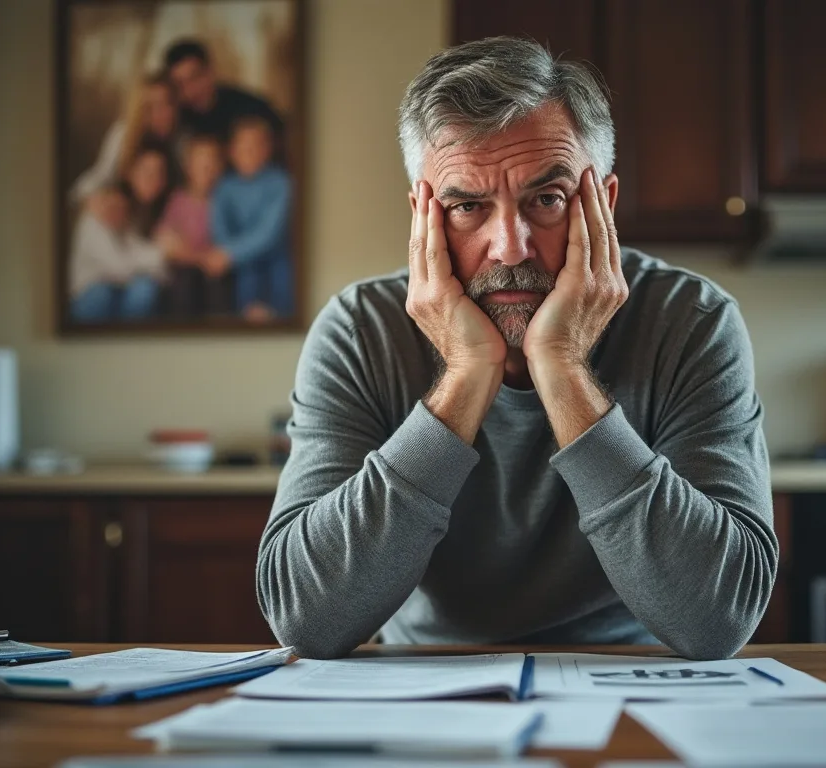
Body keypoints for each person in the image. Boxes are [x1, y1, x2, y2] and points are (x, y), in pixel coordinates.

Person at [257, 38, 776, 660]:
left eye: (547, 199)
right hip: (422, 677)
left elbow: (717, 622)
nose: (510, 246)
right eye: (467, 206)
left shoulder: (692, 322)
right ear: (424, 217)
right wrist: (467, 371)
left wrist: (562, 364)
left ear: (602, 204)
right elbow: (306, 620)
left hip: (635, 675)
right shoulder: (359, 330)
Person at [69, 141, 171, 322]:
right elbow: (119, 267)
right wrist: (163, 252)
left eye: (159, 174)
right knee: (103, 294)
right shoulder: (95, 218)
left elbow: (148, 261)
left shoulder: (130, 217)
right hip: (91, 297)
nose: (153, 179)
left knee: (145, 288)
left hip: (122, 291)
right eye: (146, 172)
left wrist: (158, 258)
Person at [207, 116, 293, 322]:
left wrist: (231, 253)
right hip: (241, 268)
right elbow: (220, 230)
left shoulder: (281, 182)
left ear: (268, 149)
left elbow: (271, 232)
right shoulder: (224, 186)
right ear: (232, 150)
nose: (250, 151)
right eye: (243, 145)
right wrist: (228, 252)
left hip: (274, 260)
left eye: (256, 145)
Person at [71, 72, 179, 207]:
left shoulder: (181, 139)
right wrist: (91, 199)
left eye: (167, 103)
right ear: (140, 110)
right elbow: (99, 176)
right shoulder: (124, 135)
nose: (162, 112)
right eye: (151, 107)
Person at [155, 134, 229, 317]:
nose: (207, 168)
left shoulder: (225, 199)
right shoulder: (178, 200)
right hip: (187, 272)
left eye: (212, 162)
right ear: (188, 167)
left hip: (218, 273)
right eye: (201, 162)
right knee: (184, 282)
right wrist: (201, 258)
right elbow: (166, 243)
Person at [163, 39, 283, 150]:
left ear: (210, 72)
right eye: (180, 85)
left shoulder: (253, 109)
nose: (190, 90)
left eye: (195, 78)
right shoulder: (178, 123)